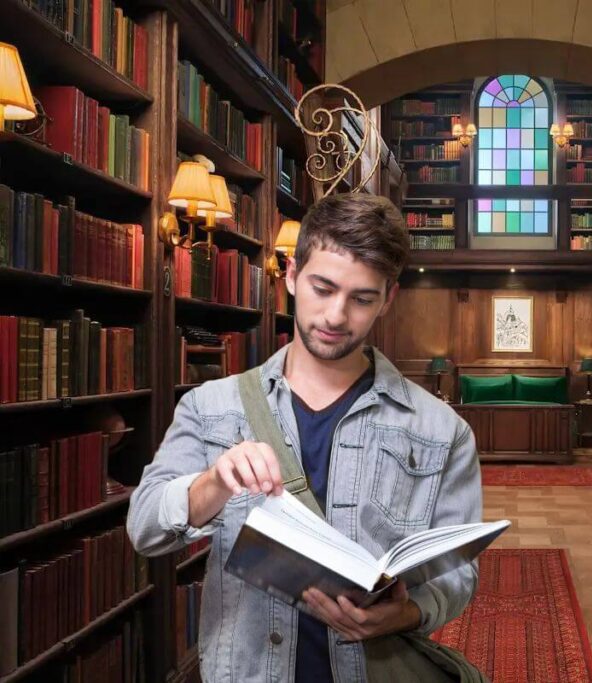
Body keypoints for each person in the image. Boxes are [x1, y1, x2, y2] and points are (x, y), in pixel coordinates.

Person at [127, 194, 483, 682]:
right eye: (323, 287)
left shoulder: (443, 431)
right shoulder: (210, 407)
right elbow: (145, 530)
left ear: (388, 299)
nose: (337, 316)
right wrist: (214, 482)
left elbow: (458, 575)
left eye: (362, 299)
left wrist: (405, 614)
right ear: (292, 274)